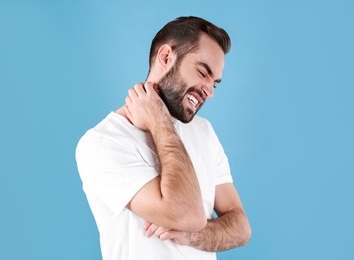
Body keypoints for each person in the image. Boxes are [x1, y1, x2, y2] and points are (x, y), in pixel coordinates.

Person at [75, 16, 251, 260]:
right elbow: (186, 215)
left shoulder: (203, 132)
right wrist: (159, 121)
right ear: (166, 57)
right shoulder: (103, 143)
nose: (209, 92)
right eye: (202, 72)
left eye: (215, 84)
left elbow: (241, 228)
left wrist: (192, 236)